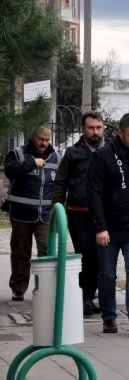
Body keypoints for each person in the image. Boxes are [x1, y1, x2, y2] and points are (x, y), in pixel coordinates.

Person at [87, 113, 129, 336]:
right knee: (107, 274)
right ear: (120, 133)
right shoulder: (103, 156)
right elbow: (93, 194)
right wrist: (100, 227)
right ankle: (109, 316)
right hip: (109, 227)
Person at [52, 111, 105, 316]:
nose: (95, 132)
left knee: (101, 257)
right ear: (83, 129)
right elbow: (60, 181)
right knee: (86, 254)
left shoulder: (110, 151)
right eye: (91, 128)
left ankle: (93, 295)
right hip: (78, 213)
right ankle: (85, 298)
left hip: (103, 214)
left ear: (103, 128)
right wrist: (57, 209)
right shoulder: (72, 153)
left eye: (98, 127)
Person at [5, 126, 59, 302]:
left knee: (46, 251)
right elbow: (10, 171)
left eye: (47, 140)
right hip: (21, 213)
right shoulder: (18, 154)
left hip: (45, 215)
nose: (44, 143)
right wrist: (32, 163)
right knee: (21, 252)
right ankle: (18, 288)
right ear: (32, 137)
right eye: (40, 139)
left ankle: (44, 288)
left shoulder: (57, 158)